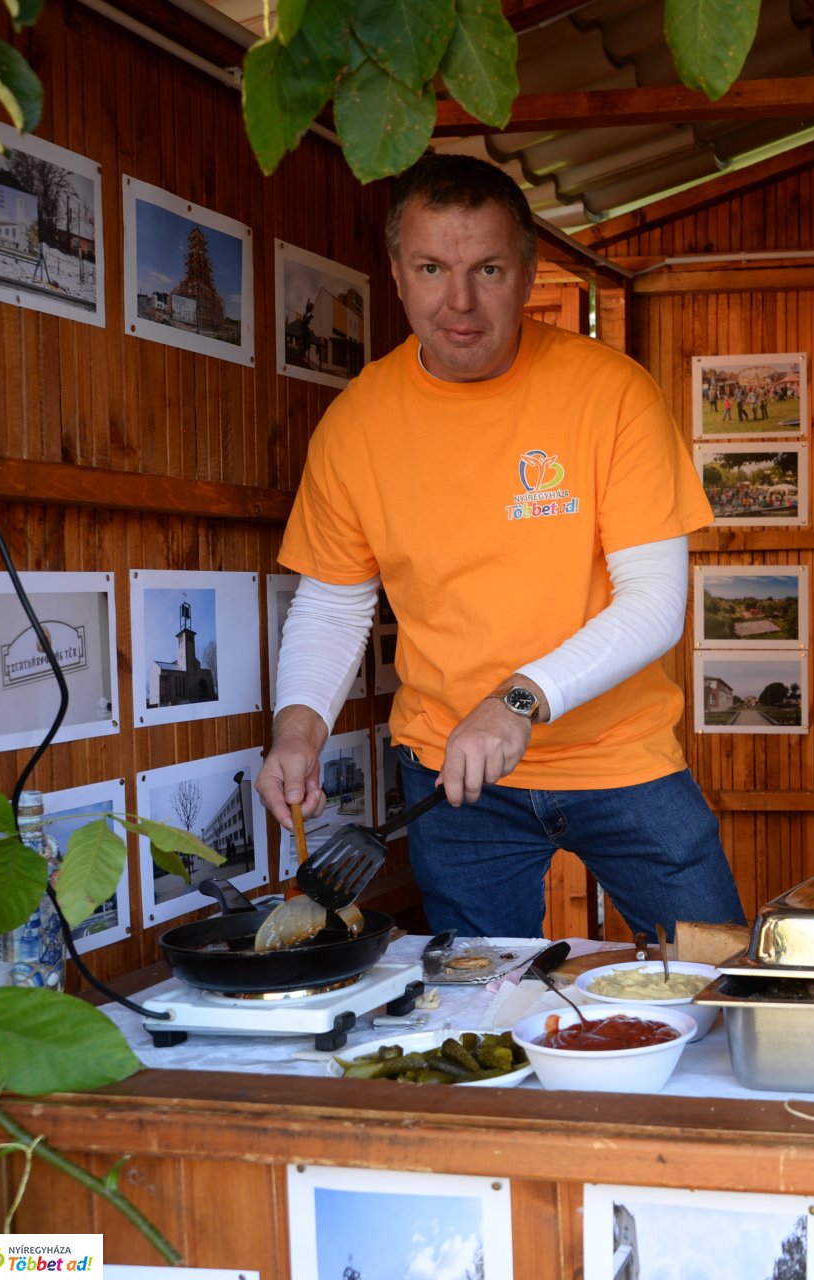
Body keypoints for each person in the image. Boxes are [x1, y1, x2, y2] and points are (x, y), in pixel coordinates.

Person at [255, 152, 745, 940]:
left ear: (526, 273)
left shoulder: (613, 393)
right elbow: (333, 607)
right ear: (397, 273)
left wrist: (517, 700)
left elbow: (655, 603)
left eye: (487, 268)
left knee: (716, 974)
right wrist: (297, 731)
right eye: (431, 268)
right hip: (454, 773)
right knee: (480, 997)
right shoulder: (356, 424)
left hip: (621, 757)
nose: (460, 301)